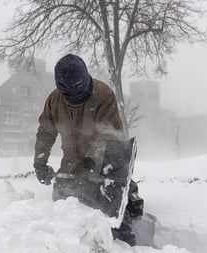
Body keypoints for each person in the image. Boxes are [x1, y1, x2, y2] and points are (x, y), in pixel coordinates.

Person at [33, 54, 139, 246]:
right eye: (69, 93)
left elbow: (109, 135)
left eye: (78, 91)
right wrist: (40, 163)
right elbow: (45, 133)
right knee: (64, 209)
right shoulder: (54, 100)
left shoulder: (103, 95)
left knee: (111, 208)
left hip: (103, 163)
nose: (74, 97)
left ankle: (123, 240)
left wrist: (91, 161)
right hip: (71, 166)